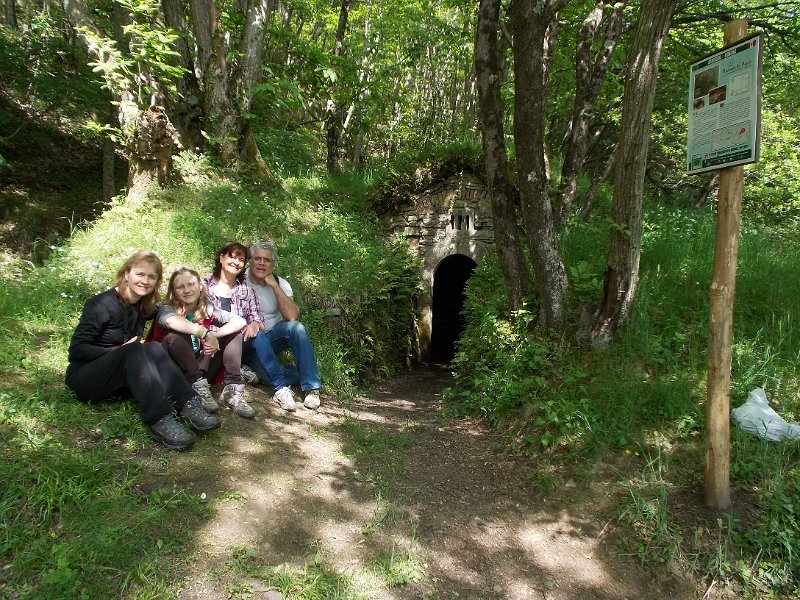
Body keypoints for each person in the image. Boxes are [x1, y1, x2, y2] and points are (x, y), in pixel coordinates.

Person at [65, 251, 220, 451]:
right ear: (126, 273)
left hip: (118, 382)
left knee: (153, 347)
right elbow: (76, 350)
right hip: (85, 379)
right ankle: (160, 418)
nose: (145, 281)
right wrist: (118, 351)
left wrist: (200, 328)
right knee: (134, 350)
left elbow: (167, 315)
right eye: (140, 274)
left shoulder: (143, 305)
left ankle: (188, 404)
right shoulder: (100, 304)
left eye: (151, 277)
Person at [204, 242, 298, 412]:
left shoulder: (245, 290)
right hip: (211, 344)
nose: (236, 262)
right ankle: (245, 372)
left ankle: (280, 389)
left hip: (236, 345)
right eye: (233, 257)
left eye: (241, 260)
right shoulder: (205, 287)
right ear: (221, 258)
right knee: (266, 371)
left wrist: (254, 324)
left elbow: (258, 318)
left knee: (258, 334)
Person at [155, 266, 252, 418]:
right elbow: (172, 321)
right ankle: (195, 387)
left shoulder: (207, 308)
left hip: (201, 368)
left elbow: (239, 321)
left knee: (234, 332)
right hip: (173, 372)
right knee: (177, 334)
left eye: (191, 284)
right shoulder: (166, 308)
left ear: (200, 286)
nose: (187, 290)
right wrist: (205, 334)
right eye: (180, 287)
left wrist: (214, 335)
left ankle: (232, 390)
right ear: (173, 291)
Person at [245, 241, 321, 410]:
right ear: (250, 260)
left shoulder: (281, 283)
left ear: (273, 264)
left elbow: (292, 316)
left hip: (271, 337)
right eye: (257, 258)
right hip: (246, 341)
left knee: (297, 328)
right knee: (270, 376)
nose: (262, 263)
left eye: (267, 260)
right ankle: (254, 371)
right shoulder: (238, 279)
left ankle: (311, 387)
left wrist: (274, 286)